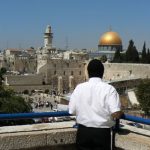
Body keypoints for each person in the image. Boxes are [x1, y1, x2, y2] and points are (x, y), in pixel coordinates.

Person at [69, 59, 122, 150]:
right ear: (102, 72)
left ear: (88, 72)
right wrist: (121, 113)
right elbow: (116, 113)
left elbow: (71, 111)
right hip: (102, 133)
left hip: (83, 132)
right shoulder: (109, 89)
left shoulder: (79, 88)